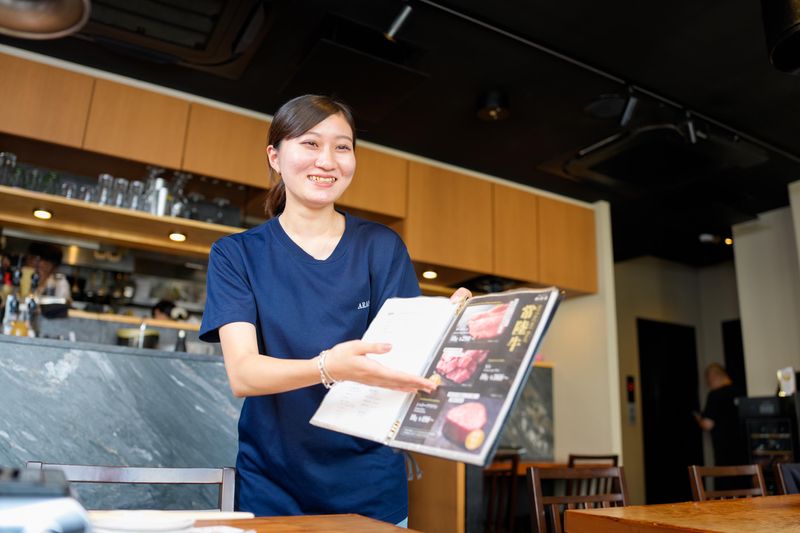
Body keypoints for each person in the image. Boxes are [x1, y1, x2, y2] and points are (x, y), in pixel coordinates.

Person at [199, 94, 470, 525]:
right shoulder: (236, 255)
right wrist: (329, 366)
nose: (328, 160)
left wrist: (447, 329)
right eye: (310, 143)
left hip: (370, 484)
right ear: (275, 155)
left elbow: (404, 361)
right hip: (271, 485)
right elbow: (244, 374)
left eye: (342, 147)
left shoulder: (381, 246)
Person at [694, 363, 744, 466]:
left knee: (725, 478)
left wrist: (699, 419)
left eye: (708, 380)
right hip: (743, 451)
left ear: (713, 376)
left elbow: (707, 424)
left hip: (724, 452)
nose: (708, 384)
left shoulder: (715, 395)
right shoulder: (741, 391)